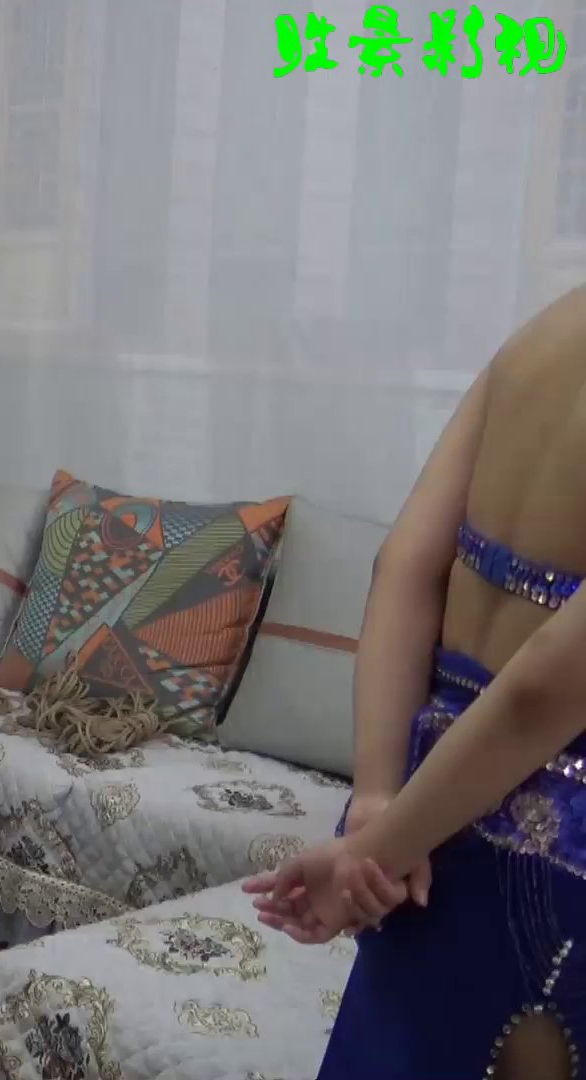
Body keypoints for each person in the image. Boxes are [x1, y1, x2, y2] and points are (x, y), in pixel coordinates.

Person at [245, 284, 586, 1079]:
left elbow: (402, 564)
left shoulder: (548, 328)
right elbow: (547, 685)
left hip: (429, 795)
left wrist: (377, 805)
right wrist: (381, 849)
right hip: (555, 846)